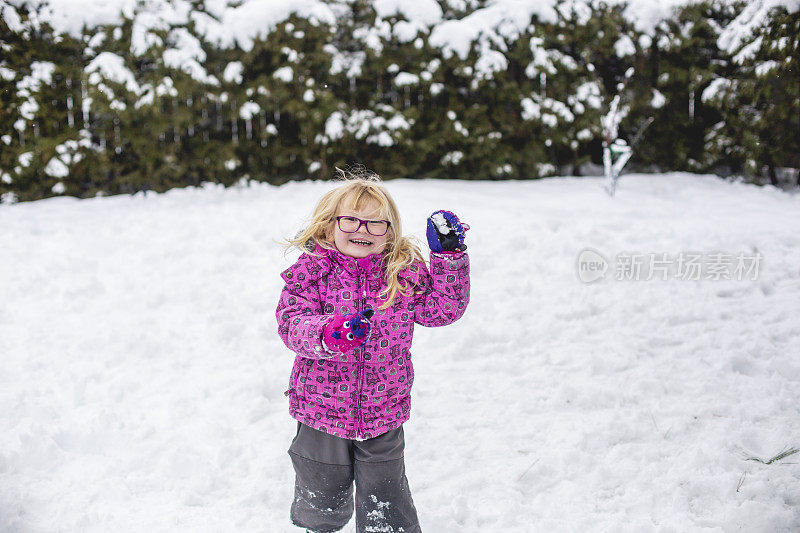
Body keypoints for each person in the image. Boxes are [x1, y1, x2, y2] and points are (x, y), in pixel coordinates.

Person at [275, 170, 471, 533]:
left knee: (387, 498)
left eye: (375, 223)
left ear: (389, 232)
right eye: (350, 219)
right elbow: (291, 323)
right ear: (329, 224)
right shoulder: (311, 273)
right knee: (322, 494)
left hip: (384, 407)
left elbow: (442, 309)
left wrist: (449, 258)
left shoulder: (401, 272)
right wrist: (327, 335)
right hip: (320, 408)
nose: (362, 230)